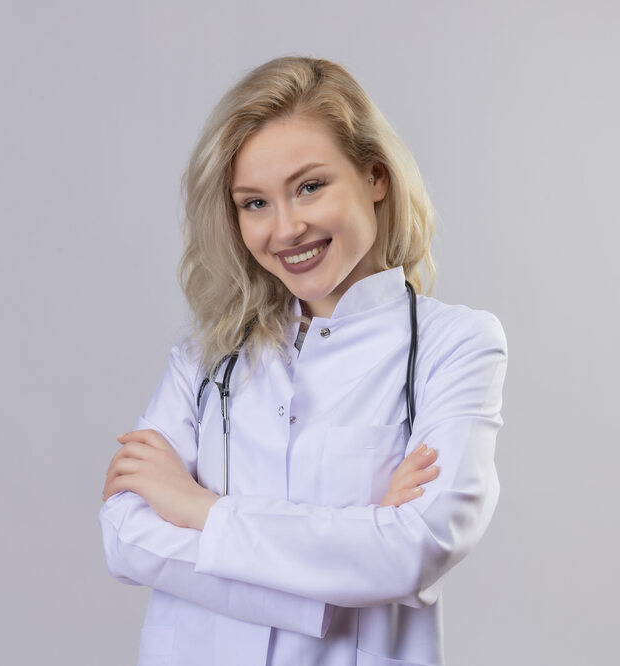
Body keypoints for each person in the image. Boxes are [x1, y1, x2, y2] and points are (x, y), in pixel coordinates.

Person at [99, 56, 508, 665]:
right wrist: (347, 562)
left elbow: (414, 548)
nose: (285, 228)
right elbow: (125, 538)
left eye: (309, 187)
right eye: (254, 203)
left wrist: (195, 508)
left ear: (375, 176)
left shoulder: (455, 347)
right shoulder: (206, 359)